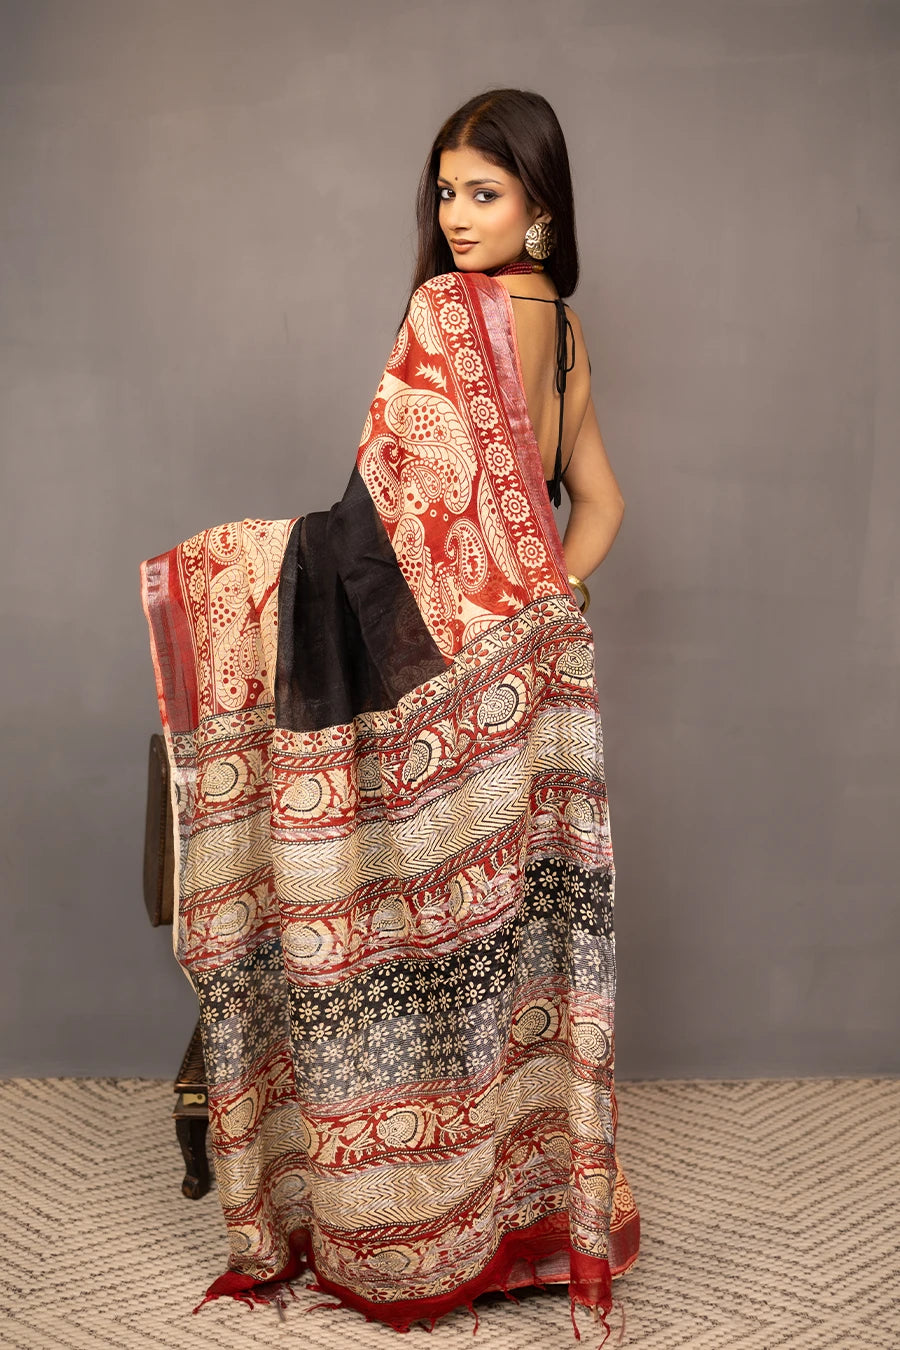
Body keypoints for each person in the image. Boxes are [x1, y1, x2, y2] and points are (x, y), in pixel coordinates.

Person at [139, 87, 639, 1346]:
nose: (455, 214)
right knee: (510, 953)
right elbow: (601, 500)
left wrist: (244, 572)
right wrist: (546, 601)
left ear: (541, 205)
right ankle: (516, 1216)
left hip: (434, 691)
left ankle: (406, 1231)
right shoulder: (566, 332)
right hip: (530, 686)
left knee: (407, 937)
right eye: (445, 189)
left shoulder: (447, 313)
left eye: (485, 191)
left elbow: (373, 539)